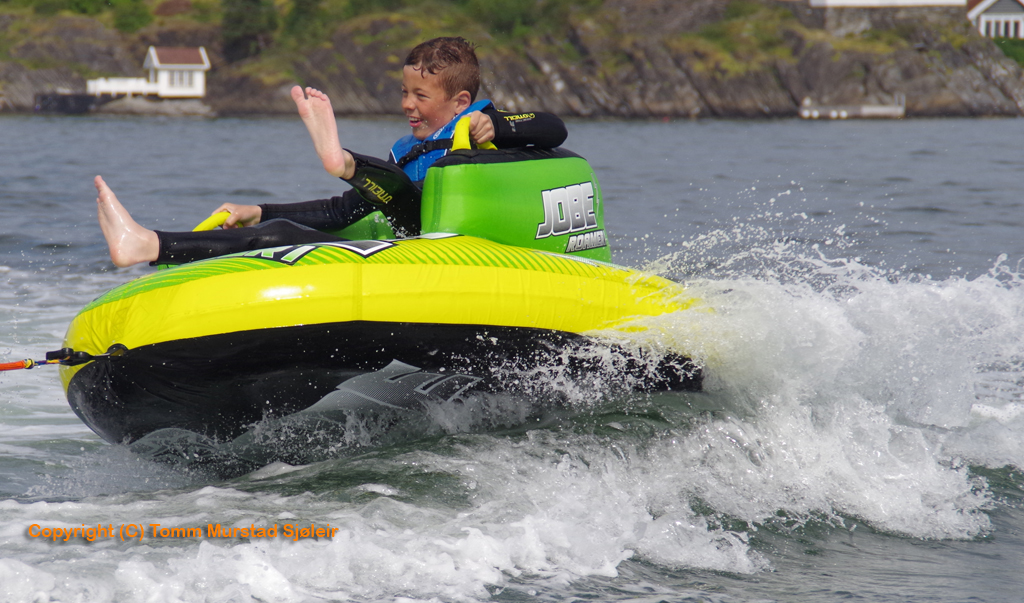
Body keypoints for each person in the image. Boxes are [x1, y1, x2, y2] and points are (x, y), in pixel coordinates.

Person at [96, 37, 568, 267]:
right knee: (279, 233)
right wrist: (260, 211)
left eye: (420, 96)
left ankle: (344, 162)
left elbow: (553, 128)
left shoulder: (484, 130)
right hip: (412, 245)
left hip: (464, 251)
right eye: (404, 92)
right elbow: (344, 212)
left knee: (409, 194)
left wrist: (499, 125)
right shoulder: (406, 151)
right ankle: (151, 245)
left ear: (460, 101)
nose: (407, 104)